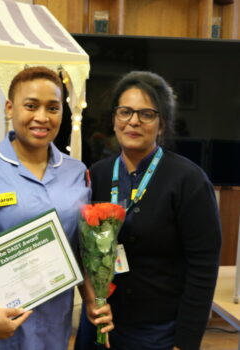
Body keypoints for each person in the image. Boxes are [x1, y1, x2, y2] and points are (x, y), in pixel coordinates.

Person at [0, 66, 113, 350]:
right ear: (10, 108)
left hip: (54, 329)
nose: (42, 117)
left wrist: (92, 300)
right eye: (31, 106)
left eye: (52, 108)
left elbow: (80, 249)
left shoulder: (76, 173)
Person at [74, 71, 222, 350]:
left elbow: (203, 269)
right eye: (125, 111)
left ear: (162, 123)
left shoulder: (188, 180)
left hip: (158, 331)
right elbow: (83, 250)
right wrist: (93, 302)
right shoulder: (98, 174)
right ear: (115, 118)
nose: (133, 121)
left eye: (146, 114)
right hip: (101, 323)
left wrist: (185, 342)